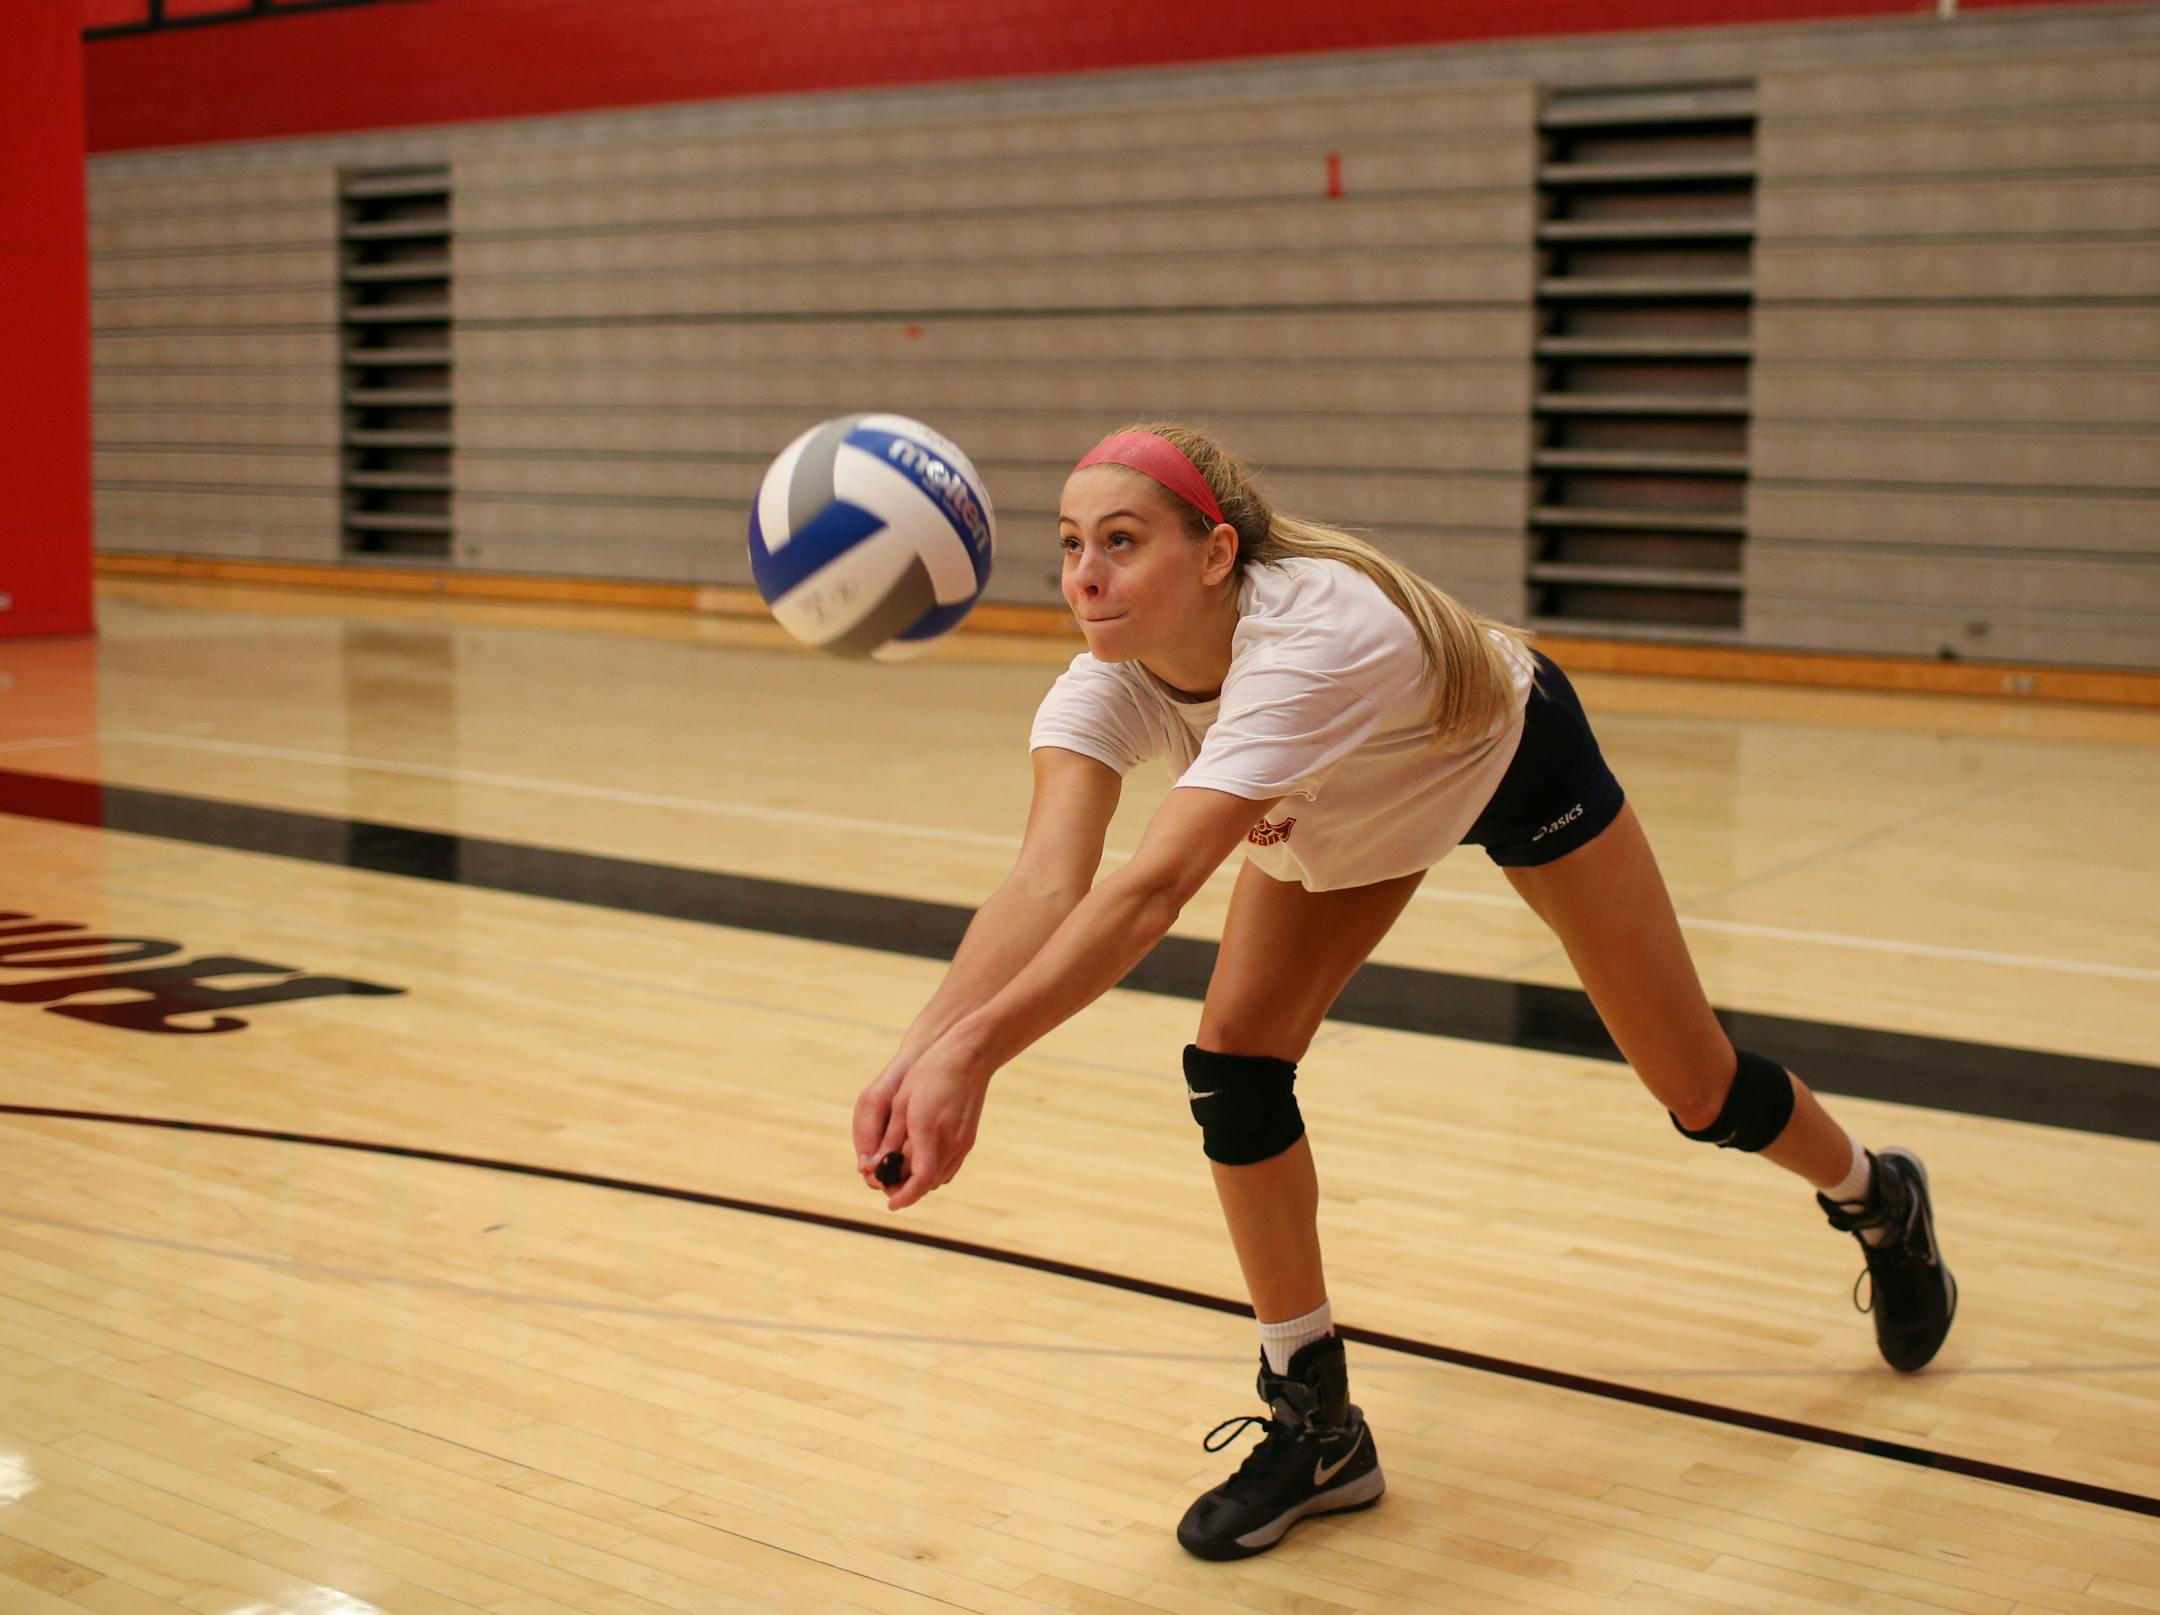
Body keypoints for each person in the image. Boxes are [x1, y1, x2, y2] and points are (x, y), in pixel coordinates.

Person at [850, 423, 1956, 1561]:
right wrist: (914, 1055)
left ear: (1217, 553)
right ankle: (1317, 1424)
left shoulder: (1313, 639)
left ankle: (1877, 1194)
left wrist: (973, 1059)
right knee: (1234, 1066)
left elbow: (1151, 890)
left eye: (1122, 542)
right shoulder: (1108, 679)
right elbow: (1045, 880)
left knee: (1696, 1084)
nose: (1086, 574)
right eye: (1072, 544)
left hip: (1505, 759)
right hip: (1345, 809)